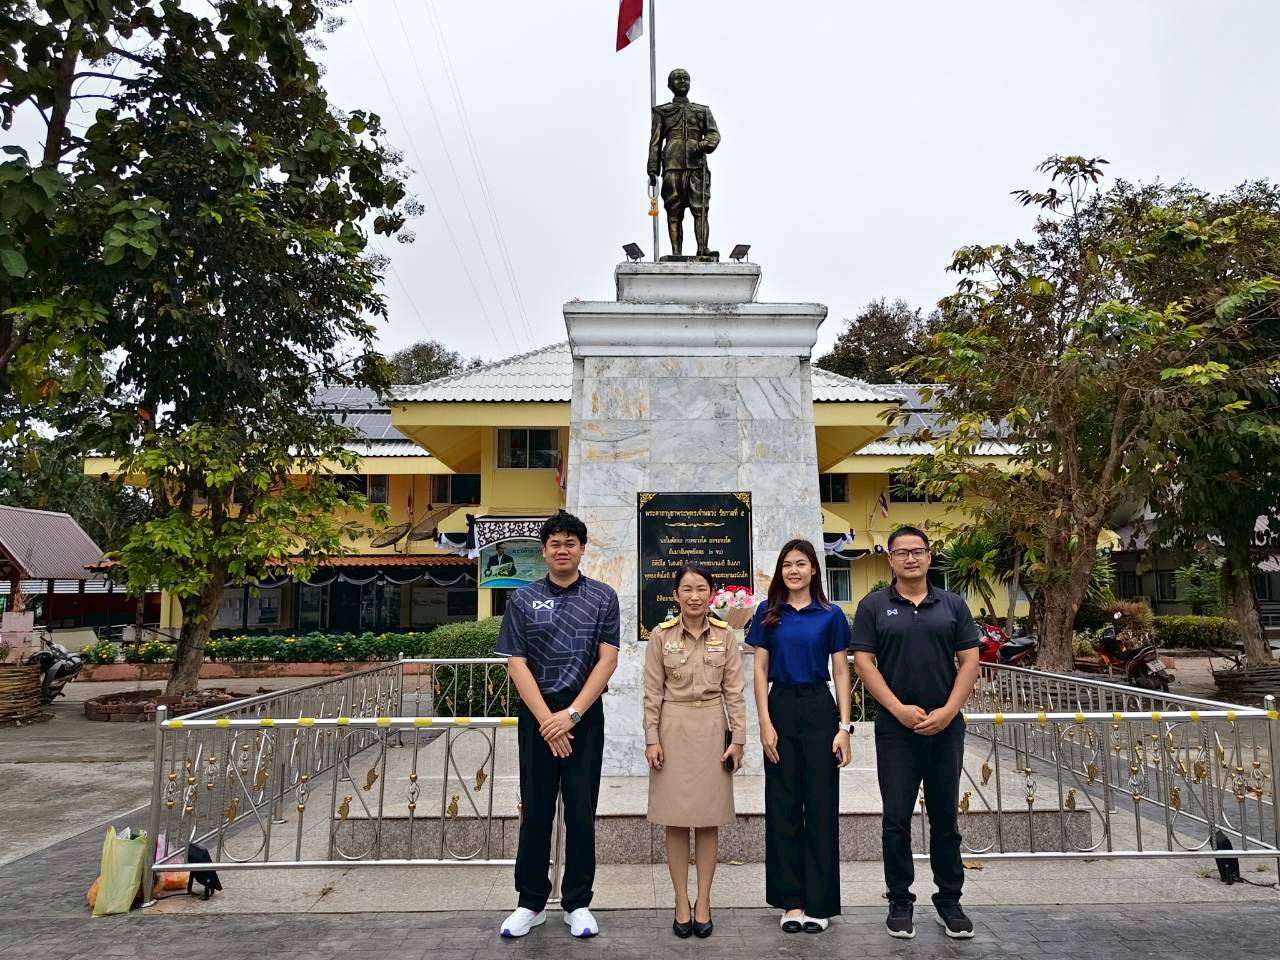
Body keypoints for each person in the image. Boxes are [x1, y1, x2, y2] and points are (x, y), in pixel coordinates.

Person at [850, 525, 981, 941]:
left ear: (929, 556)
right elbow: (864, 663)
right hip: (896, 730)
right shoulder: (873, 606)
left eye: (918, 551)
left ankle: (949, 900)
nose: (910, 558)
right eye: (901, 552)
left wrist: (948, 711)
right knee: (896, 819)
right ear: (889, 558)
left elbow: (970, 662)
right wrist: (897, 709)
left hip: (945, 728)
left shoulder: (953, 605)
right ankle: (900, 900)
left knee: (946, 817)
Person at [495, 511, 620, 939]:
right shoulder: (523, 599)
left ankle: (578, 903)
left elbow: (608, 660)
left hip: (582, 716)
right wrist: (548, 719)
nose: (562, 549)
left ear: (582, 549)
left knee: (582, 812)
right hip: (538, 717)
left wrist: (571, 716)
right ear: (544, 550)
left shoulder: (603, 597)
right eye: (554, 543)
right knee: (536, 811)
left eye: (570, 542)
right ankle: (530, 902)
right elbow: (516, 661)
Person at [746, 538, 853, 934]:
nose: (793, 570)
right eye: (787, 564)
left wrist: (844, 727)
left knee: (821, 806)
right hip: (781, 708)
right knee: (784, 805)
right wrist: (764, 723)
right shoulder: (767, 614)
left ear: (813, 570)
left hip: (818, 707)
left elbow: (842, 671)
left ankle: (819, 902)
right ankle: (791, 901)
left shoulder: (831, 615)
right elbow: (759, 670)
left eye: (801, 564)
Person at [643, 565, 747, 940]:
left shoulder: (726, 635)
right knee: (675, 818)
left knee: (707, 818)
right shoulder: (660, 636)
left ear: (711, 593)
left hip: (711, 729)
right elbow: (652, 693)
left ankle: (703, 900)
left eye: (701, 588)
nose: (694, 596)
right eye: (686, 589)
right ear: (676, 595)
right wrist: (652, 738)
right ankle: (680, 900)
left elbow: (734, 690)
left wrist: (737, 740)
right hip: (672, 729)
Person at [647, 67, 720, 259]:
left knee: (701, 209)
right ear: (670, 85)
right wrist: (653, 169)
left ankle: (703, 249)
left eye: (686, 78)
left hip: (697, 165)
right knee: (674, 210)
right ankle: (676, 252)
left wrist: (707, 143)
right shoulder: (662, 112)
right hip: (672, 165)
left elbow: (713, 133)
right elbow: (655, 141)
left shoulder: (702, 111)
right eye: (678, 78)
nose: (682, 81)